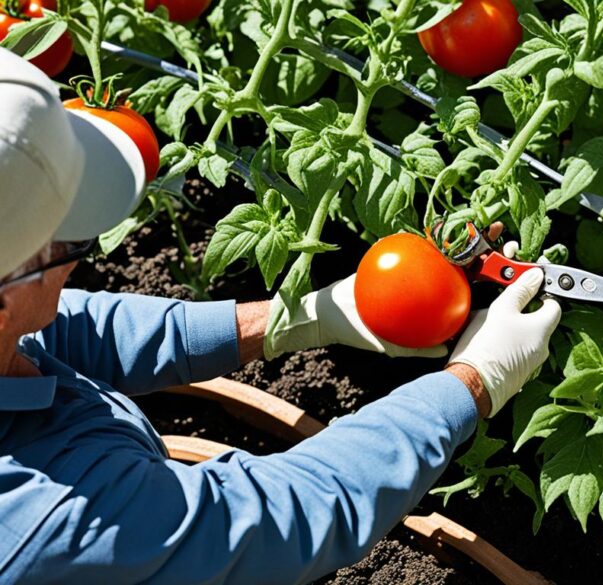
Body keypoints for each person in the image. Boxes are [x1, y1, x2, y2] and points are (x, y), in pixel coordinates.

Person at [0, 48, 560, 583]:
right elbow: (275, 521)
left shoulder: (11, 336)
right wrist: (471, 384)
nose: (78, 258)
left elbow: (73, 329)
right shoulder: (50, 519)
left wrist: (299, 318)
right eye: (63, 243)